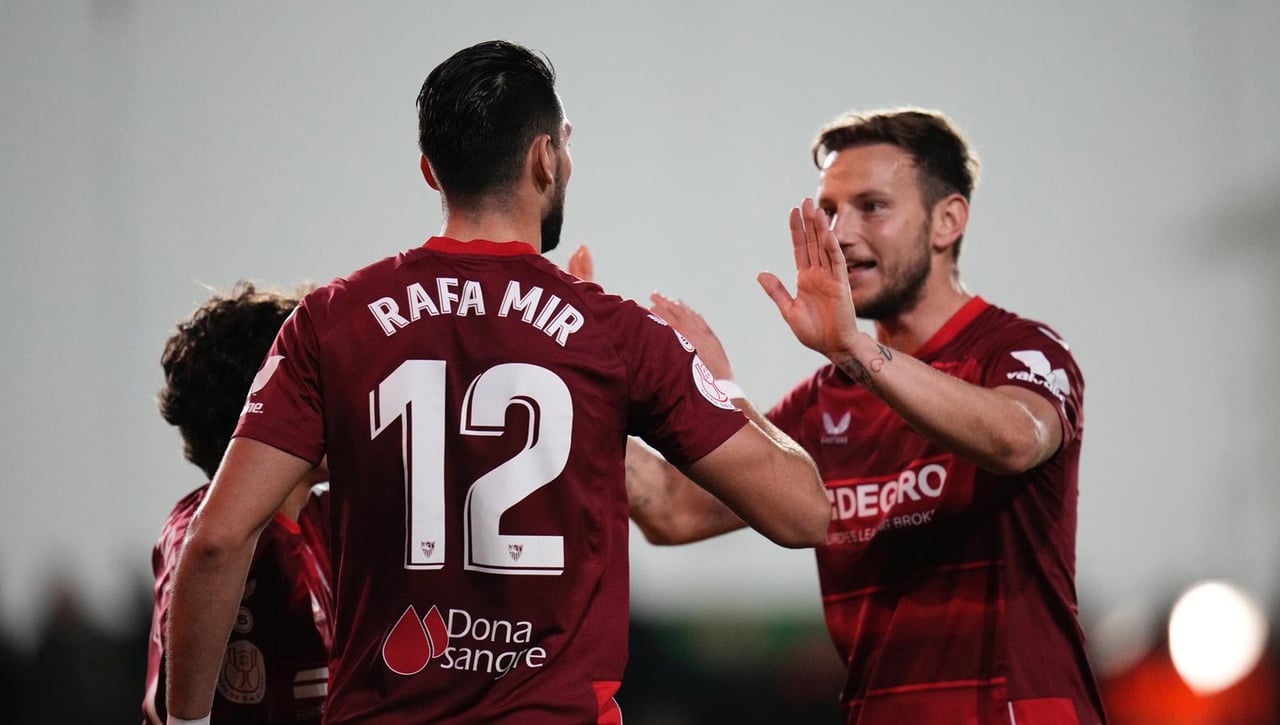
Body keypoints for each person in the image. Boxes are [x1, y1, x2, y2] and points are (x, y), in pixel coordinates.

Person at [163, 40, 829, 725]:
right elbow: (803, 513)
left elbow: (216, 540)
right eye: (566, 145)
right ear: (545, 158)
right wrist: (726, 390)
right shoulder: (615, 333)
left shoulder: (332, 320)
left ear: (431, 171)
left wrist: (185, 721)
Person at [618, 109, 1107, 724]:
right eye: (828, 210)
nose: (840, 233)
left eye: (872, 207)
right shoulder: (828, 400)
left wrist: (853, 349)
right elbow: (673, 510)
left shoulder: (1019, 351)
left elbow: (1014, 439)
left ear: (948, 220)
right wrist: (585, 389)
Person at [145, 282, 332, 724]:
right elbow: (211, 549)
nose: (341, 399)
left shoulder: (321, 520)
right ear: (271, 409)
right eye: (318, 382)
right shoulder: (213, 535)